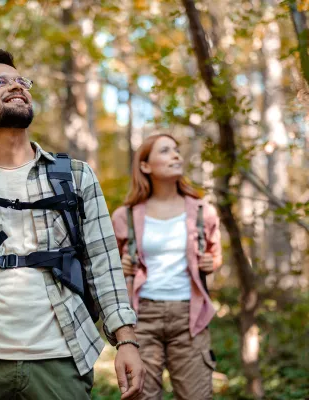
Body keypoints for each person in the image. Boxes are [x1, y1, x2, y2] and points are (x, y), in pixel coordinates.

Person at [0, 49, 145, 400]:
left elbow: (104, 264)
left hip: (60, 359)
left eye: (21, 81)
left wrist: (126, 340)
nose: (17, 86)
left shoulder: (75, 176)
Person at [111, 134, 222, 400]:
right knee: (142, 395)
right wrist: (122, 266)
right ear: (145, 166)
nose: (176, 155)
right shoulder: (124, 215)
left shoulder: (201, 211)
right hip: (141, 317)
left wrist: (210, 263)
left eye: (176, 150)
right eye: (165, 151)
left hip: (190, 318)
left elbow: (215, 256)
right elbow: (109, 268)